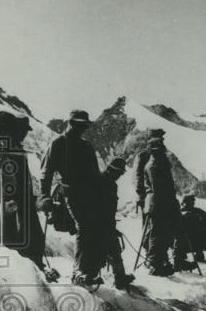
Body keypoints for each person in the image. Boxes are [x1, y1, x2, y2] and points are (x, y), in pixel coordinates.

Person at [39, 109, 103, 285]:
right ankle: (80, 271)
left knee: (94, 229)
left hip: (90, 195)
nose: (80, 128)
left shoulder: (86, 146)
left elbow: (96, 175)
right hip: (71, 194)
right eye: (77, 124)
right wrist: (44, 196)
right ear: (70, 123)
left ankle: (90, 270)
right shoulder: (58, 143)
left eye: (83, 125)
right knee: (83, 228)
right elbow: (46, 172)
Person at [0, 110, 47, 273]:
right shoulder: (0, 148)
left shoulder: (11, 148)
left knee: (29, 238)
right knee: (13, 240)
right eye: (22, 130)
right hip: (8, 203)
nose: (25, 134)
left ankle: (35, 267)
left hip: (16, 202)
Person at [142, 133, 180, 276]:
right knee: (157, 234)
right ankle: (154, 263)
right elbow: (159, 188)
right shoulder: (152, 166)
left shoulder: (160, 164)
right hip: (158, 204)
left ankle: (161, 262)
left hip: (163, 203)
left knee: (163, 233)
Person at [97, 157, 135, 290]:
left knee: (114, 251)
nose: (120, 175)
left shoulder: (109, 182)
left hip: (106, 224)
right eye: (120, 172)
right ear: (113, 170)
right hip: (101, 225)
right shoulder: (103, 182)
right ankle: (118, 279)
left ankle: (119, 278)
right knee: (112, 251)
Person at [173, 194, 206, 271]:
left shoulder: (197, 212)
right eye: (188, 202)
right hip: (191, 242)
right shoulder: (181, 213)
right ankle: (193, 256)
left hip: (194, 243)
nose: (190, 204)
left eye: (191, 202)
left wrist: (199, 220)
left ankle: (195, 255)